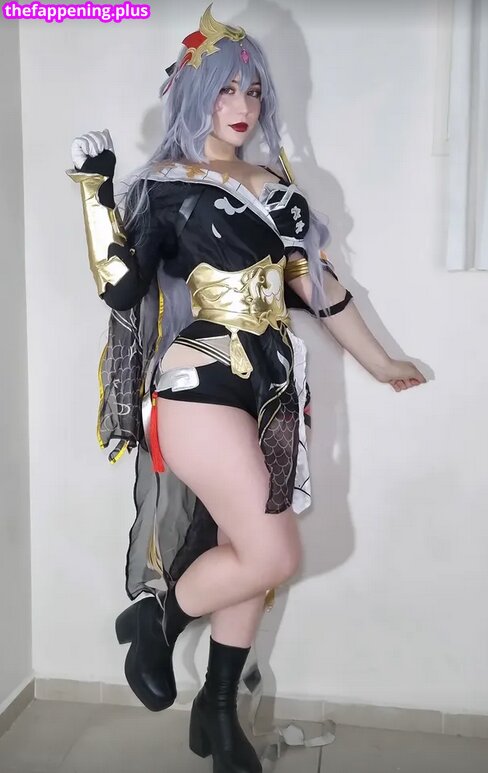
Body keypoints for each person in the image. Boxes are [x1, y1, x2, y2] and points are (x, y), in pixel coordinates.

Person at [67, 4, 426, 770]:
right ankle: (157, 620)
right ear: (196, 94)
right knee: (274, 550)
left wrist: (382, 362)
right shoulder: (164, 188)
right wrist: (95, 194)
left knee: (244, 550)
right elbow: (122, 288)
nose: (243, 106)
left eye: (254, 91)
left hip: (271, 389)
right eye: (227, 90)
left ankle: (218, 711)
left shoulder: (279, 189)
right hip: (197, 378)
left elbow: (320, 289)